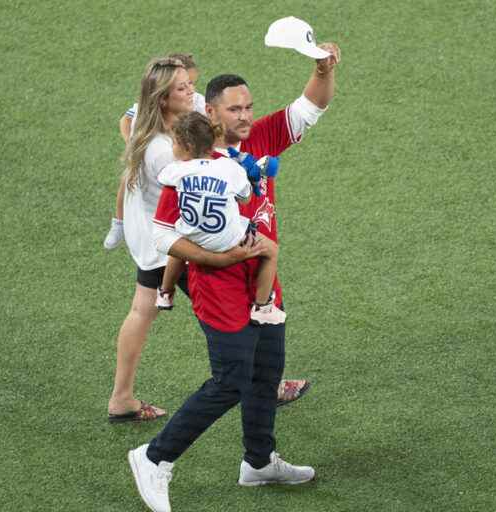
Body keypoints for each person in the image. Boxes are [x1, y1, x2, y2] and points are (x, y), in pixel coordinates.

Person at [128, 40, 340, 511]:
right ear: (210, 111)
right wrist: (219, 261)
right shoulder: (186, 167)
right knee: (230, 380)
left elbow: (312, 105)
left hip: (265, 284)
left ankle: (259, 462)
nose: (245, 116)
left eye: (248, 107)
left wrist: (323, 69)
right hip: (220, 289)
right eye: (234, 109)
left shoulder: (260, 139)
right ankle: (154, 456)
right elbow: (169, 239)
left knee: (266, 372)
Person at [154, 111, 285, 326]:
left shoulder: (173, 171)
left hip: (194, 237)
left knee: (181, 240)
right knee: (271, 251)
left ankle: (165, 293)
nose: (172, 147)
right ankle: (263, 307)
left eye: (174, 143)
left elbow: (163, 179)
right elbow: (245, 199)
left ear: (186, 147)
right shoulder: (229, 167)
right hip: (230, 241)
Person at [104, 53, 205, 251]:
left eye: (191, 83)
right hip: (170, 243)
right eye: (183, 86)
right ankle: (118, 223)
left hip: (161, 240)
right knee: (127, 180)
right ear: (162, 98)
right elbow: (188, 199)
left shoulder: (189, 107)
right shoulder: (161, 151)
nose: (191, 90)